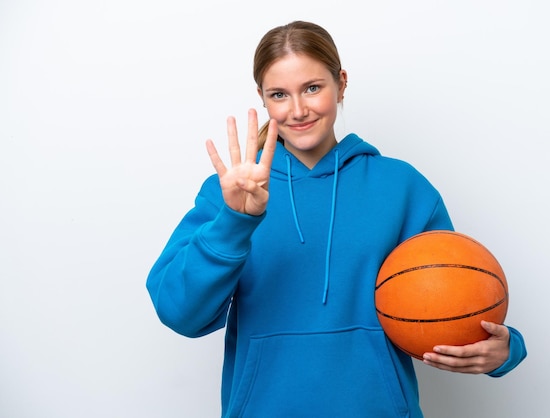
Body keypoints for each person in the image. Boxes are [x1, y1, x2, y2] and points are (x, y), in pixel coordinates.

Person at [146, 20, 527, 417]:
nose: (298, 110)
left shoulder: (401, 187)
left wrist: (506, 349)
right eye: (279, 94)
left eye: (312, 88)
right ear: (262, 98)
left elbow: (456, 300)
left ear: (341, 83)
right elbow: (180, 314)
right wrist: (234, 222)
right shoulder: (229, 191)